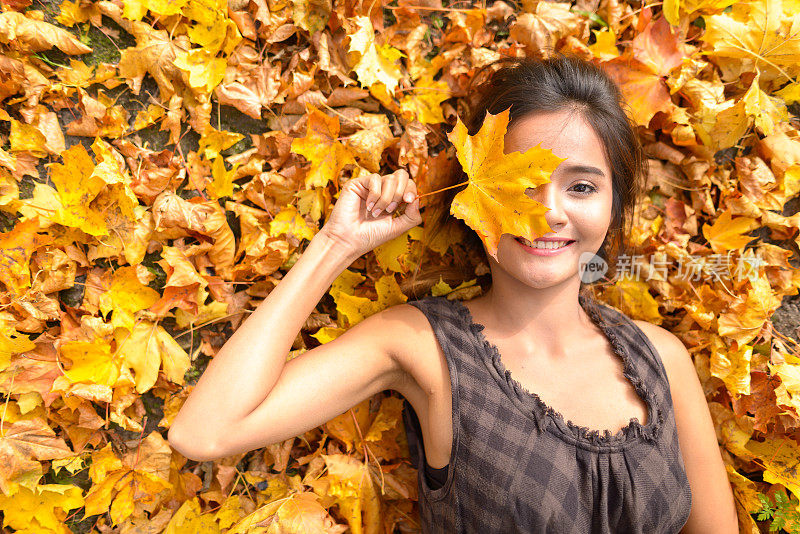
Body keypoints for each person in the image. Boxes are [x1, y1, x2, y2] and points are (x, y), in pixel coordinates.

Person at [167, 54, 739, 533]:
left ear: (612, 205)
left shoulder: (659, 360)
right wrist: (336, 245)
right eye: (518, 182)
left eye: (582, 187)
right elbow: (205, 431)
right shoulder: (422, 347)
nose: (548, 213)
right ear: (474, 195)